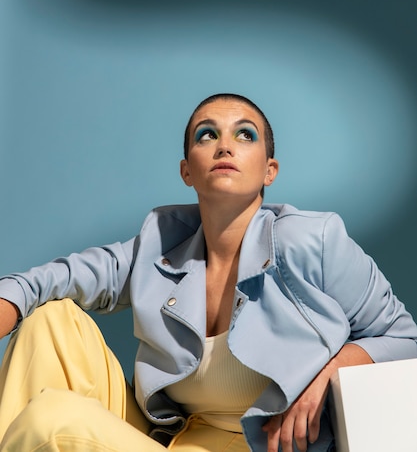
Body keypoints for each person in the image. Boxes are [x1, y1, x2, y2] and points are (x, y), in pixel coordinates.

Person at [0, 92, 416, 452]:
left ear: (269, 169)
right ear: (187, 171)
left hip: (259, 446)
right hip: (165, 438)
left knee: (51, 421)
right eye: (207, 134)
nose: (224, 146)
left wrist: (332, 371)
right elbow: (45, 281)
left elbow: (405, 339)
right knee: (48, 317)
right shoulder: (160, 243)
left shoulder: (312, 241)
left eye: (245, 134)